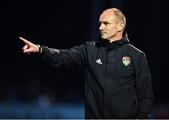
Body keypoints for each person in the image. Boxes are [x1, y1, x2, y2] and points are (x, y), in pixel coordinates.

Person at [20, 8, 153, 119]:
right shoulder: (90, 49)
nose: (101, 27)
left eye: (106, 23)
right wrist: (40, 49)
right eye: (100, 23)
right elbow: (62, 56)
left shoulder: (137, 56)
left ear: (120, 26)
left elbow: (145, 97)